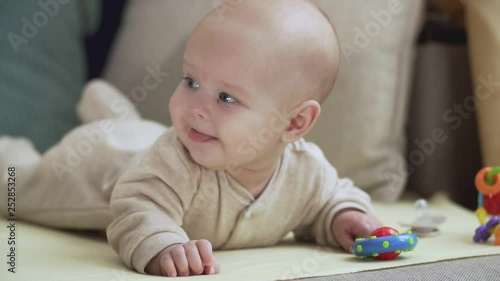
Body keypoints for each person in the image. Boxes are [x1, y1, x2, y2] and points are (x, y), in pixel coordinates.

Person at [0, 0, 382, 277]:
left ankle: (106, 106)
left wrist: (346, 218)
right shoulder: (173, 160)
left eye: (227, 97)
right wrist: (165, 245)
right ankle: (10, 151)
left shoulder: (306, 171)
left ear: (295, 123)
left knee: (135, 131)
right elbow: (138, 205)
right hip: (97, 164)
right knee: (22, 188)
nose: (195, 107)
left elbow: (330, 199)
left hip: (143, 137)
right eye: (191, 81)